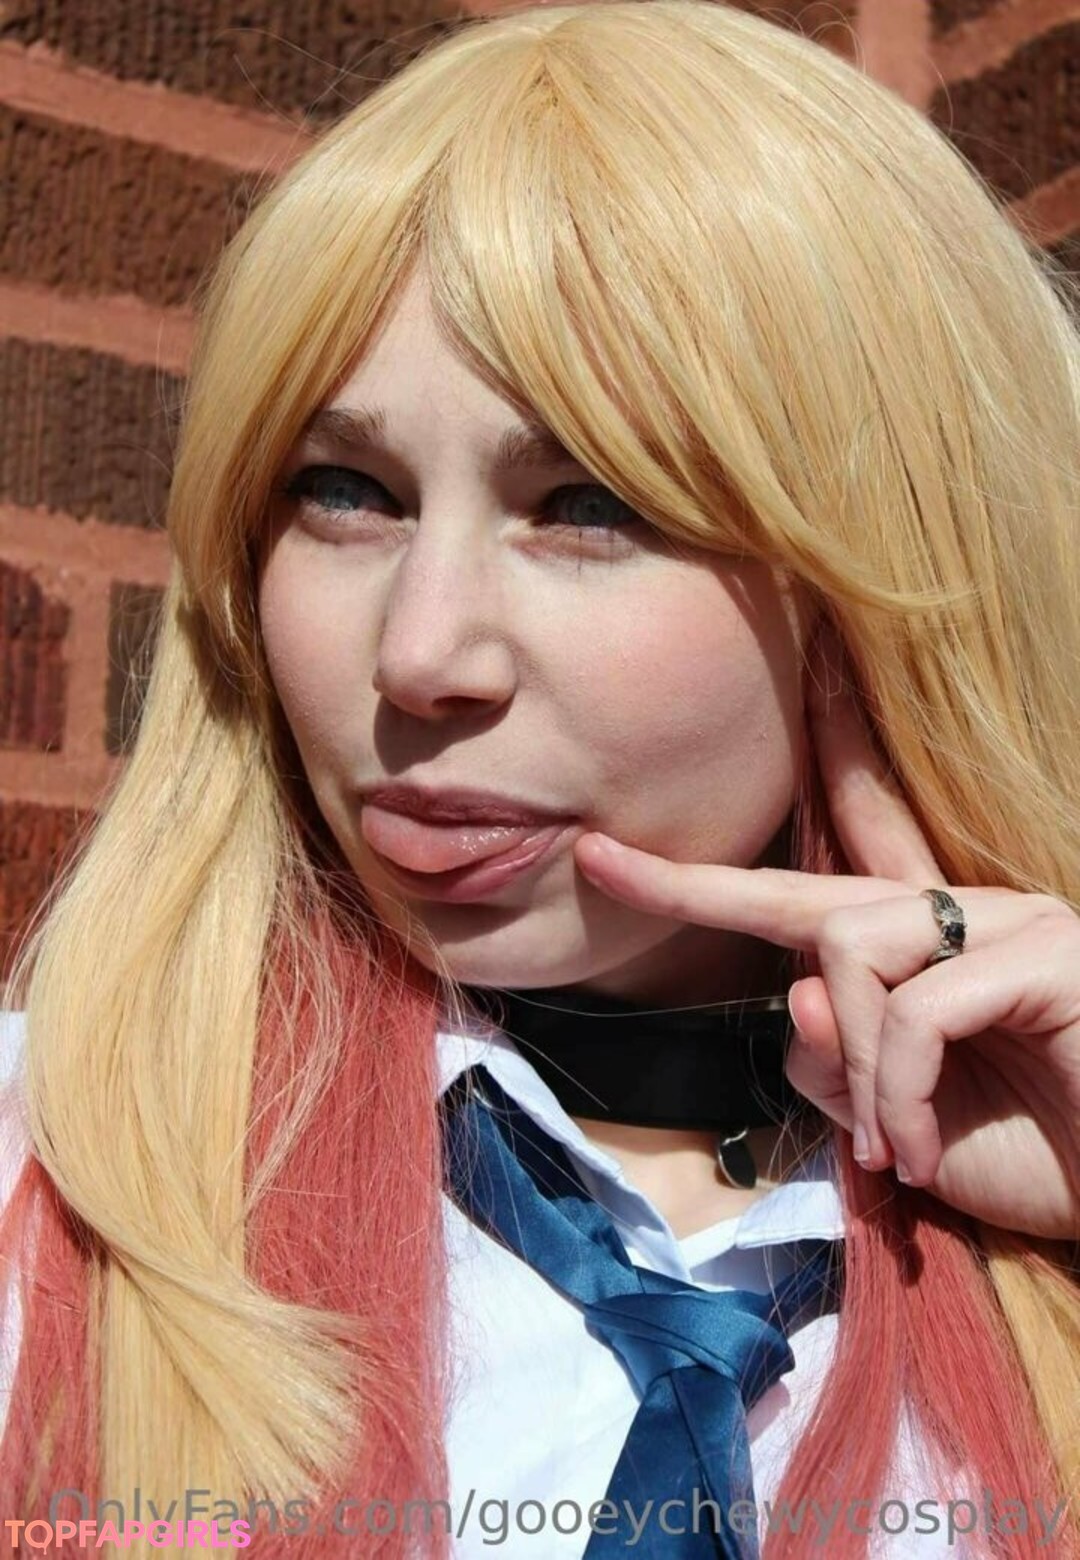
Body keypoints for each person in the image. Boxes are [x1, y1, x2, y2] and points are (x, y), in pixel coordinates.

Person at [0, 1, 1078, 1555]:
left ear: (887, 576)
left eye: (589, 502)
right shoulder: (47, 1175)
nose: (420, 654)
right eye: (343, 491)